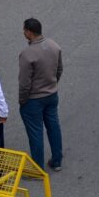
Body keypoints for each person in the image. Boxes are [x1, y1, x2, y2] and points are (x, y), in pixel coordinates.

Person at [19, 18, 63, 171]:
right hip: (51, 95)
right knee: (53, 127)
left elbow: (24, 83)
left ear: (29, 33)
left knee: (35, 133)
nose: (23, 32)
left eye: (24, 30)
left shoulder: (27, 54)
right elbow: (59, 70)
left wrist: (22, 101)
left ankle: (38, 168)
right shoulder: (54, 46)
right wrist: (52, 84)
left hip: (33, 100)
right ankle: (57, 160)